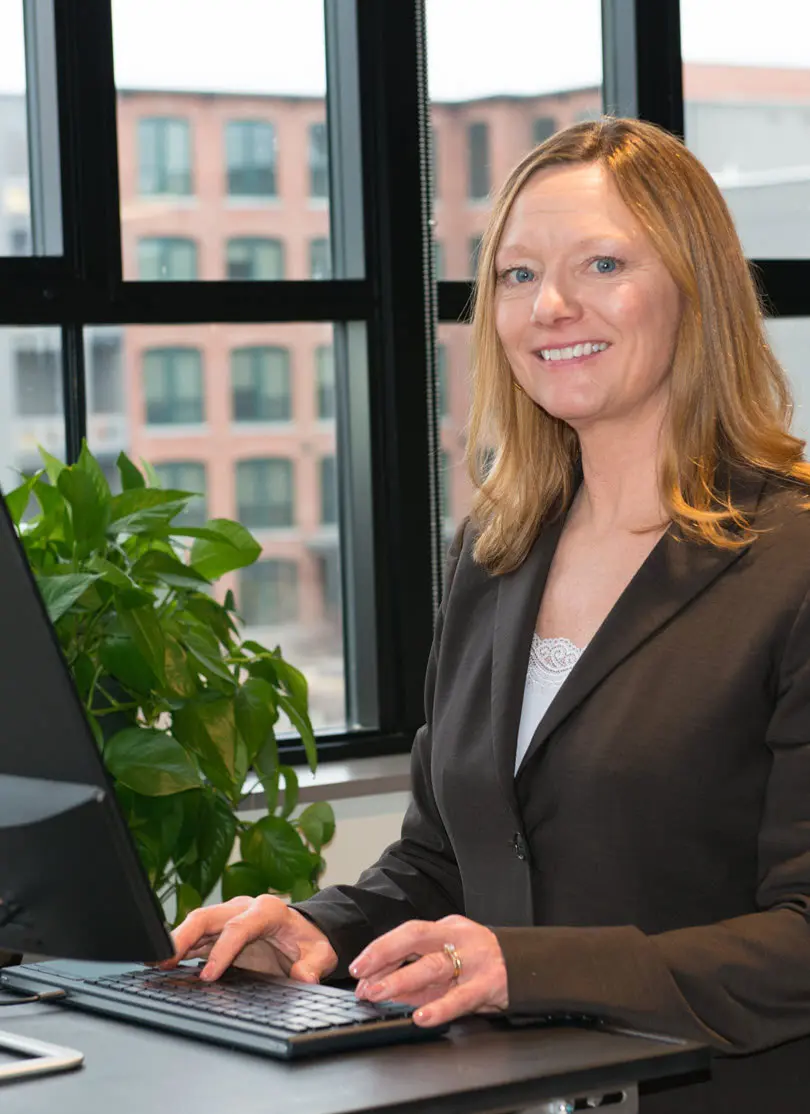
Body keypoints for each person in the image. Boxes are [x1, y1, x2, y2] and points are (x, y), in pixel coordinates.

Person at [164, 118, 810, 1112]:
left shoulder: (792, 557)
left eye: (601, 263)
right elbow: (442, 858)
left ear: (697, 289)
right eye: (516, 275)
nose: (551, 305)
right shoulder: (496, 549)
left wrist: (529, 967)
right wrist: (321, 930)